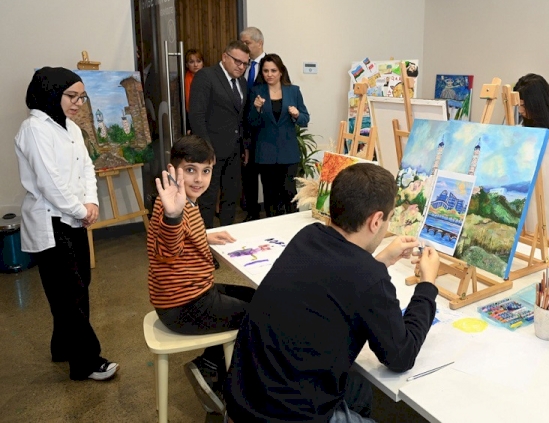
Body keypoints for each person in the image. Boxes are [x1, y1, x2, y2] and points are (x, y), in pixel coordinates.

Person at [225, 163, 441, 422]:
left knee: (360, 390)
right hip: (283, 415)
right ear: (376, 221)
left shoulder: (308, 236)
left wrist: (379, 261)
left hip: (243, 395)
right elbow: (401, 356)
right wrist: (427, 285)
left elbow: (342, 274)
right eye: (389, 218)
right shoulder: (369, 279)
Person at [14, 67, 118, 381]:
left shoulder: (70, 127)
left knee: (78, 285)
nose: (78, 103)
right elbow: (49, 182)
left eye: (81, 97)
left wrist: (92, 202)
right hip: (51, 221)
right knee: (69, 293)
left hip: (74, 217)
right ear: (51, 93)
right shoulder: (34, 128)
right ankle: (86, 361)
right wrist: (79, 209)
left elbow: (87, 168)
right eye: (71, 96)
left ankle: (62, 347)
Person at [147, 135, 255, 415]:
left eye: (205, 171)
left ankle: (212, 363)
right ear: (173, 170)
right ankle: (210, 368)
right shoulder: (171, 206)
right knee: (258, 315)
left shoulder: (188, 202)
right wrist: (173, 216)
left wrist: (204, 237)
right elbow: (168, 248)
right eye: (190, 170)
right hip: (183, 306)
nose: (198, 179)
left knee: (258, 297)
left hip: (195, 293)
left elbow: (182, 237)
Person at [189, 40, 250, 231]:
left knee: (231, 196)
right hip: (211, 151)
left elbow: (240, 117)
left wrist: (245, 145)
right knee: (207, 197)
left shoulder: (242, 82)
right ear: (225, 57)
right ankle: (204, 241)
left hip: (234, 150)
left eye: (245, 63)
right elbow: (197, 116)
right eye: (237, 61)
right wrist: (206, 150)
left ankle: (226, 236)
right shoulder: (206, 76)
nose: (241, 67)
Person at [249, 53, 310, 216]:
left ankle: (294, 226)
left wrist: (297, 114)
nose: (269, 74)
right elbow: (251, 123)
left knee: (290, 193)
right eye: (266, 71)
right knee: (269, 196)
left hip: (288, 153)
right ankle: (271, 226)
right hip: (265, 153)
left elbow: (305, 119)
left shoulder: (293, 91)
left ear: (281, 71)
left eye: (273, 70)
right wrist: (257, 109)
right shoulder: (256, 91)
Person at [239, 27, 266, 220]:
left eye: (247, 43)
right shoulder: (242, 66)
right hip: (245, 131)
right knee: (248, 176)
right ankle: (252, 214)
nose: (243, 46)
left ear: (259, 43)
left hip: (264, 131)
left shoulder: (270, 65)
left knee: (267, 177)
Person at [184, 49, 204, 114]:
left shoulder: (208, 76)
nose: (195, 65)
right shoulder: (185, 79)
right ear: (187, 65)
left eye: (198, 61)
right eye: (191, 62)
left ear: (203, 63)